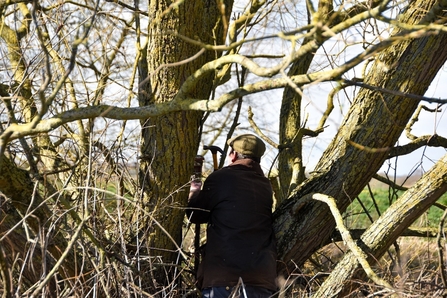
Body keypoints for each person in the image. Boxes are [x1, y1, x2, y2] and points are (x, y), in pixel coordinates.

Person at [186, 134, 277, 298]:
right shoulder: (265, 185)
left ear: (233, 155)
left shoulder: (220, 178)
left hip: (224, 278)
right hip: (262, 279)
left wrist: (195, 187)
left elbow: (195, 214)